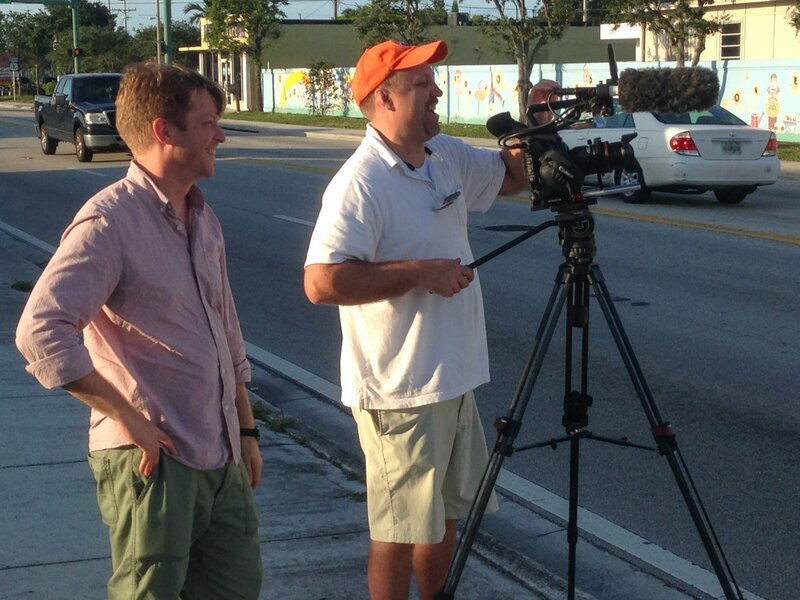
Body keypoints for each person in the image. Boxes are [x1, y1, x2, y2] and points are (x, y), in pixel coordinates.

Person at [15, 62, 263, 600]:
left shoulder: (204, 218)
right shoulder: (110, 222)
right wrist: (127, 416)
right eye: (206, 123)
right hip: (153, 460)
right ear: (163, 130)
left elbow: (227, 331)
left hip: (220, 453)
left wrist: (246, 430)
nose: (220, 135)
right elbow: (41, 330)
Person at [303, 40, 528, 600]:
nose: (437, 92)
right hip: (400, 391)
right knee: (398, 534)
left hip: (453, 380)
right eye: (423, 84)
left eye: (434, 81)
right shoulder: (359, 183)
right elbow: (321, 282)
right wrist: (421, 272)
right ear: (385, 98)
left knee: (444, 519)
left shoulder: (443, 155)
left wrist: (535, 126)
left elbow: (512, 179)